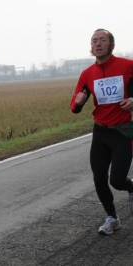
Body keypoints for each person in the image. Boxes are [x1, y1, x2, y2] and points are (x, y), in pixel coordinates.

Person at [70, 29, 133, 235]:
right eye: (94, 41)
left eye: (102, 40)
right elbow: (75, 104)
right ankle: (112, 218)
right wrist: (78, 103)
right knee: (99, 178)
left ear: (111, 45)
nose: (98, 44)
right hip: (100, 133)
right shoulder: (87, 74)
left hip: (123, 131)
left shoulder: (128, 66)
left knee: (116, 180)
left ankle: (131, 188)